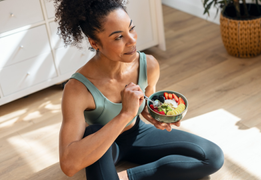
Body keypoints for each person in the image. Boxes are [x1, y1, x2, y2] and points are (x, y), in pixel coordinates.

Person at [55, 0, 224, 179]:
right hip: (102, 143)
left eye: (131, 28)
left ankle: (127, 177)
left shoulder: (148, 65)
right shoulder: (78, 89)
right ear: (95, 43)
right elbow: (69, 165)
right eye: (118, 37)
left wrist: (153, 115)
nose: (132, 40)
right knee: (93, 130)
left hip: (138, 134)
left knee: (213, 157)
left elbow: (146, 104)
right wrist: (125, 114)